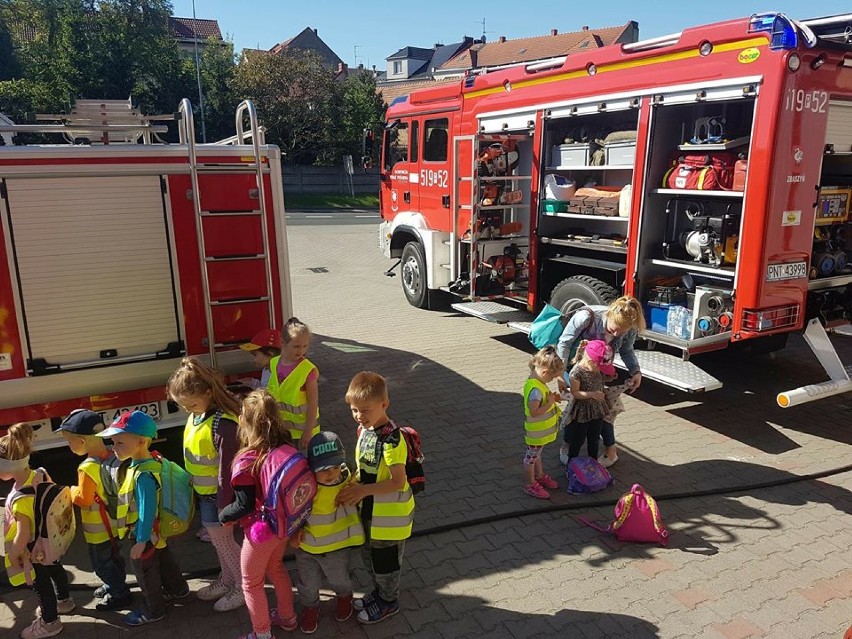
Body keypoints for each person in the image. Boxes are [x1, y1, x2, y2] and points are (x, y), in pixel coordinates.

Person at [167, 357, 244, 612]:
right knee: (219, 542)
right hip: (206, 495)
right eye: (184, 406)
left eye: (192, 403)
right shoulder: (198, 415)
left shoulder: (223, 423)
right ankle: (227, 579)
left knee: (225, 543)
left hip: (218, 498)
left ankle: (242, 588)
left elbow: (227, 469)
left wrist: (226, 504)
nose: (189, 410)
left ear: (208, 392)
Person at [97, 411, 189, 626]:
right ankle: (179, 590)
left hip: (144, 534)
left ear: (140, 441)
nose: (113, 447)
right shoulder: (151, 461)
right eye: (112, 442)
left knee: (145, 573)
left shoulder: (143, 475)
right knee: (165, 560)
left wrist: (140, 540)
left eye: (119, 442)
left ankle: (153, 610)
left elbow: (147, 509)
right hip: (157, 533)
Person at [219, 389, 298, 639]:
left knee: (251, 583)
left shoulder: (247, 459)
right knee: (276, 568)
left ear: (244, 420)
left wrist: (223, 516)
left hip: (260, 531)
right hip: (284, 523)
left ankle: (261, 634)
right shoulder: (285, 444)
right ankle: (287, 618)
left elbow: (242, 505)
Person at [338, 371, 414, 625]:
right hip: (371, 511)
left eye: (365, 410)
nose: (359, 416)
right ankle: (380, 593)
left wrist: (361, 491)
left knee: (386, 562)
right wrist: (352, 481)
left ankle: (389, 601)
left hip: (390, 520)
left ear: (384, 404)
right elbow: (365, 468)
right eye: (354, 409)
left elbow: (397, 481)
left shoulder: (392, 440)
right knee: (370, 557)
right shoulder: (365, 430)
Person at [2, 423, 74, 639]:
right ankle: (65, 601)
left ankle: (50, 622)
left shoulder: (21, 498)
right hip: (49, 540)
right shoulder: (40, 474)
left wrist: (14, 554)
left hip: (34, 549)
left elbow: (23, 533)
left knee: (40, 585)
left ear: (8, 467)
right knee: (55, 568)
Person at [556, 296, 646, 466]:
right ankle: (567, 446)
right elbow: (564, 343)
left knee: (602, 410)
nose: (618, 334)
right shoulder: (586, 317)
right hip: (575, 369)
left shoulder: (629, 327)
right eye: (615, 329)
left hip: (599, 374)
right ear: (609, 315)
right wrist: (560, 374)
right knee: (576, 408)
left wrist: (636, 372)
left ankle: (610, 451)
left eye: (623, 331)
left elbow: (627, 350)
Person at [57, 409, 131, 611]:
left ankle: (119, 594)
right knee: (116, 558)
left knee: (102, 564)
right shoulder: (113, 456)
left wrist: (69, 490)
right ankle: (115, 584)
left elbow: (84, 499)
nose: (69, 446)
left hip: (98, 531)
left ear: (82, 441)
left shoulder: (87, 468)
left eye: (70, 442)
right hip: (115, 523)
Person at [292, 431, 365, 633]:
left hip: (337, 547)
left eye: (335, 467)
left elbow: (358, 480)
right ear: (311, 468)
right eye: (323, 469)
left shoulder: (347, 481)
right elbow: (294, 511)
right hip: (308, 545)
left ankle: (344, 598)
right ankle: (310, 607)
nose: (331, 473)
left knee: (339, 578)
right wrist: (294, 531)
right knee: (308, 582)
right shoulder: (306, 487)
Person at [266, 317, 320, 450]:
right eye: (296, 346)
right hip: (283, 430)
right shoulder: (274, 363)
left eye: (305, 346)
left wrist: (308, 432)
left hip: (303, 434)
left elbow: (313, 403)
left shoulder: (307, 370)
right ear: (283, 343)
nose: (301, 351)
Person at [522, 346, 564, 499]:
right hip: (536, 433)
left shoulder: (537, 382)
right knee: (530, 459)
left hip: (539, 434)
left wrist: (552, 399)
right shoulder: (536, 390)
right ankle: (529, 484)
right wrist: (550, 402)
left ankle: (539, 476)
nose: (551, 380)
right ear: (545, 372)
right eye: (552, 378)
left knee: (536, 455)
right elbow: (534, 412)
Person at [564, 340, 613, 463]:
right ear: (591, 361)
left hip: (597, 409)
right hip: (583, 411)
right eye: (600, 367)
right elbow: (575, 393)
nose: (600, 370)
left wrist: (608, 378)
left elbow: (599, 380)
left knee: (594, 438)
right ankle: (571, 463)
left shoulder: (595, 367)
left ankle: (593, 462)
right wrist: (592, 395)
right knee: (578, 439)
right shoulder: (576, 372)